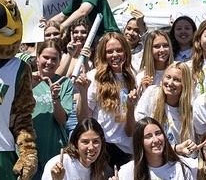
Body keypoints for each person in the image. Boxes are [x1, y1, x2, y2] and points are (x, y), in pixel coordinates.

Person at [74, 32, 137, 168]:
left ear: (126, 52)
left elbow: (132, 127)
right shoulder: (94, 77)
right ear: (103, 54)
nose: (115, 55)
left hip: (127, 149)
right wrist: (83, 93)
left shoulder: (132, 78)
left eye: (119, 50)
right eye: (110, 52)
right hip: (103, 148)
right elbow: (83, 119)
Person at [32, 40, 74, 180]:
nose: (49, 62)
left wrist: (55, 98)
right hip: (27, 153)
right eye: (46, 57)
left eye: (54, 59)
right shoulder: (25, 79)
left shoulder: (64, 83)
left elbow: (62, 120)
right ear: (37, 57)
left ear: (59, 61)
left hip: (53, 152)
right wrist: (29, 85)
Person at [135, 62, 197, 157]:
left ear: (185, 84)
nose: (170, 83)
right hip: (151, 158)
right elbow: (139, 130)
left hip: (177, 163)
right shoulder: (151, 94)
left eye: (176, 80)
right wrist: (175, 148)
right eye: (168, 77)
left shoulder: (190, 111)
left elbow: (190, 150)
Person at [120, 117, 198, 180]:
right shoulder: (127, 171)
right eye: (148, 136)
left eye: (158, 133)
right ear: (139, 142)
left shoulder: (180, 168)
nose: (156, 140)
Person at [42, 118, 109, 180]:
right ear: (76, 143)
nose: (91, 147)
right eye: (85, 142)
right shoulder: (58, 164)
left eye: (95, 141)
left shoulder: (101, 168)